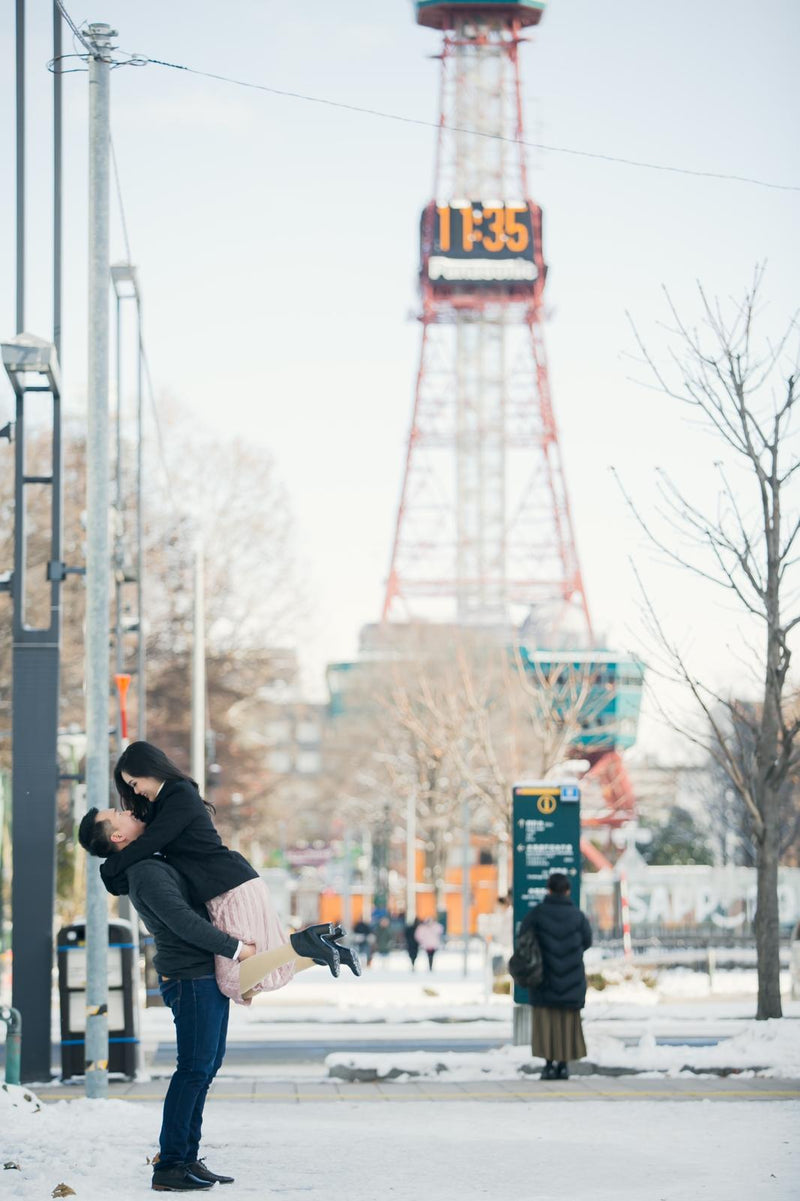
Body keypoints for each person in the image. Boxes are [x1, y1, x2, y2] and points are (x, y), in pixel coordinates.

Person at [79, 741, 359, 1002]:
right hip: (234, 884)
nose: (136, 792)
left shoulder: (178, 795)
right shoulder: (167, 802)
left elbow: (150, 843)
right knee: (263, 973)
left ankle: (304, 943)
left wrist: (110, 868)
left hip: (228, 889)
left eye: (135, 783)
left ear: (148, 770)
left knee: (232, 981)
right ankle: (319, 951)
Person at [518, 872, 592, 1080]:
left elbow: (523, 938)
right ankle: (564, 1065)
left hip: (544, 978)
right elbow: (587, 941)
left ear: (548, 890)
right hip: (572, 978)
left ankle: (548, 1065)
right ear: (567, 890)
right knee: (567, 1023)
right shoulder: (578, 916)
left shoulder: (538, 914)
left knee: (546, 1022)